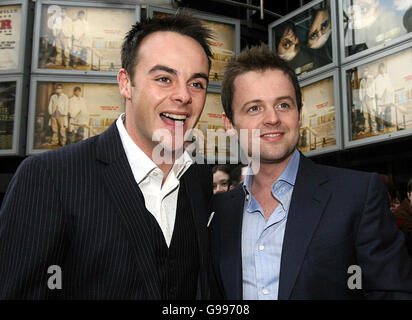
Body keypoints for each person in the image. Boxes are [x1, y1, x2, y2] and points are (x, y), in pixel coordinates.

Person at [0, 13, 215, 299]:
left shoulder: (199, 177)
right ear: (126, 83)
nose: (183, 96)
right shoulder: (49, 177)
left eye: (196, 83)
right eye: (164, 78)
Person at [210, 45, 412, 300]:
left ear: (300, 115)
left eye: (283, 104)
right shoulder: (219, 212)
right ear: (230, 124)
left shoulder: (356, 196)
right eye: (254, 108)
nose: (272, 118)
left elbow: (393, 292)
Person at [375, 62, 395, 132]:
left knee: (388, 110)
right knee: (380, 112)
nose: (382, 69)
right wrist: (381, 96)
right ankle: (380, 127)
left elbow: (390, 85)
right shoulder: (377, 78)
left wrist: (390, 92)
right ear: (379, 69)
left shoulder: (387, 76)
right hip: (381, 97)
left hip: (388, 96)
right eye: (381, 68)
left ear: (384, 68)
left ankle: (388, 123)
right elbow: (377, 89)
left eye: (383, 68)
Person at [359, 66, 378, 134]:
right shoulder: (362, 81)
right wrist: (361, 99)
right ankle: (367, 129)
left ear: (368, 71)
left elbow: (374, 88)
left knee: (372, 114)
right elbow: (360, 91)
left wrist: (373, 97)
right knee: (365, 116)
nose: (365, 72)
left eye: (366, 70)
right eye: (364, 71)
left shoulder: (371, 78)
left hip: (370, 98)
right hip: (364, 99)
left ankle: (374, 129)